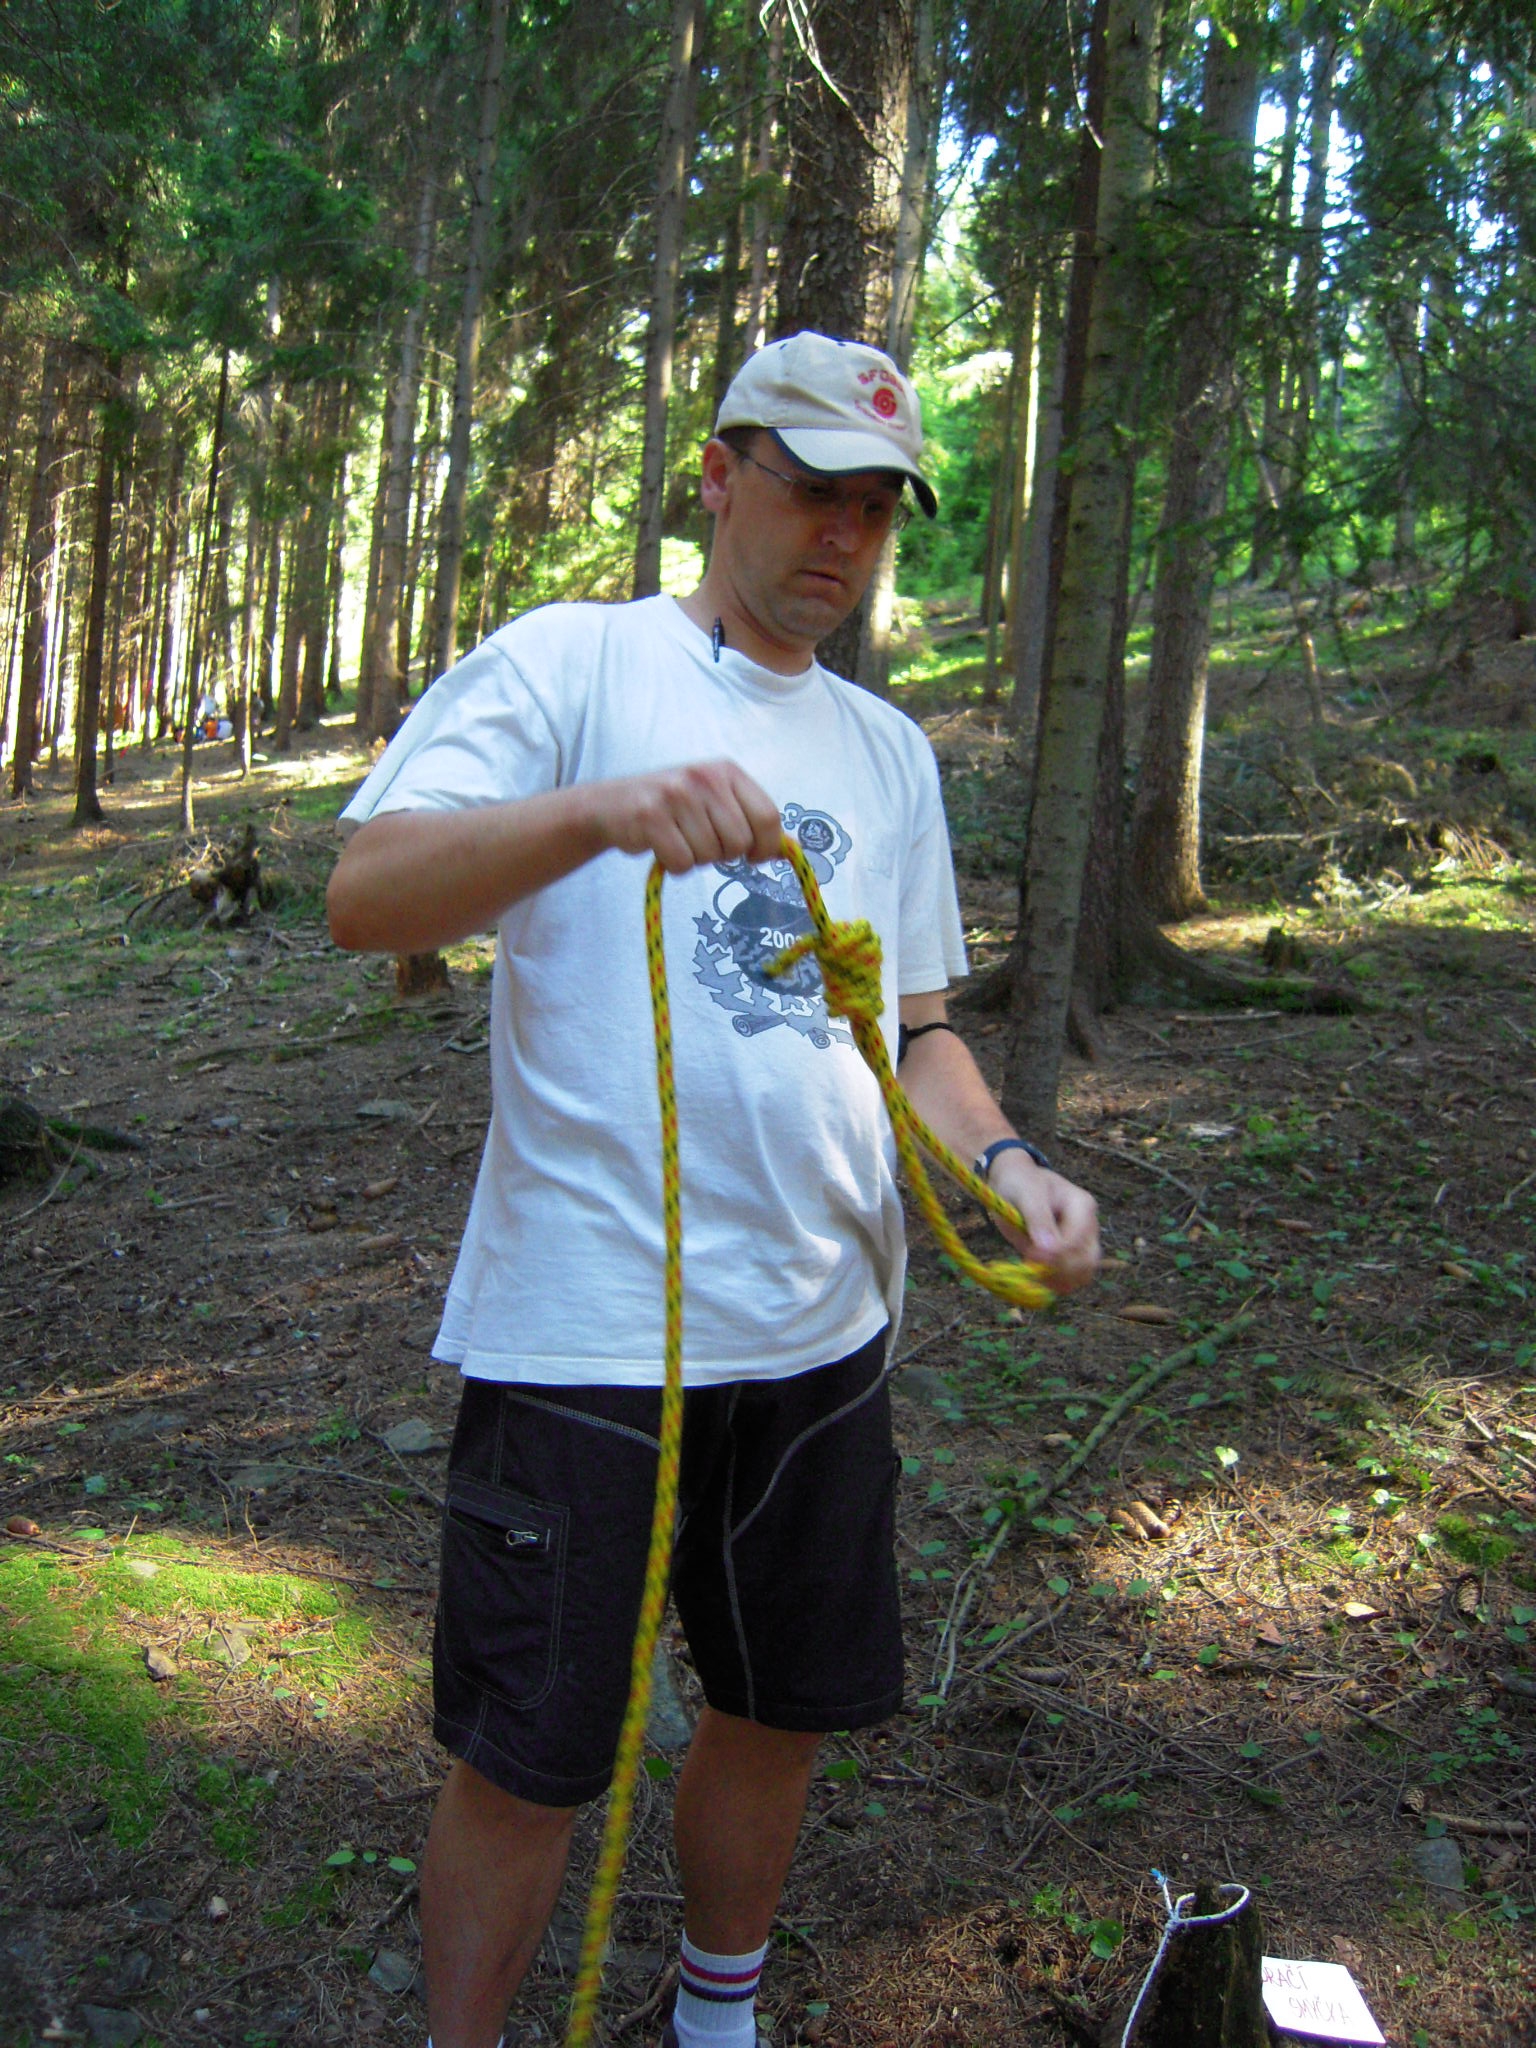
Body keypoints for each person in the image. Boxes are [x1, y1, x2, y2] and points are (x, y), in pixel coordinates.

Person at [326, 331, 1101, 2048]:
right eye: (812, 490)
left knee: (779, 1709)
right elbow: (367, 896)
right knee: (532, 1753)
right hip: (590, 1332)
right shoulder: (573, 664)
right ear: (719, 477)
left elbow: (916, 1031)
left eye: (876, 508)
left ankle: (718, 2012)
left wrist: (1009, 1165)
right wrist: (600, 813)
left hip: (827, 1331)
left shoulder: (886, 754)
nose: (843, 536)